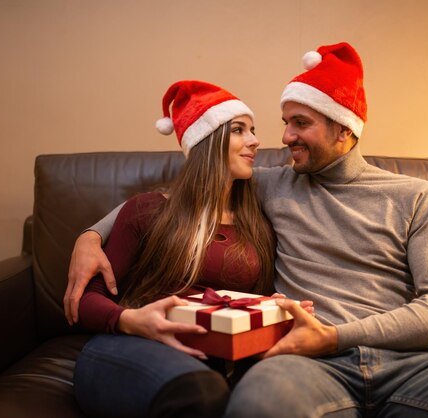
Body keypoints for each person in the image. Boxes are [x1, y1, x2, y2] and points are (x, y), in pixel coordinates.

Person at [68, 44, 428, 417]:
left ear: (344, 130)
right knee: (257, 407)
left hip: (410, 365)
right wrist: (89, 236)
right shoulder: (269, 184)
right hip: (305, 367)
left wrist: (334, 336)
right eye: (283, 123)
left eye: (301, 123)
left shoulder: (417, 197)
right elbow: (180, 199)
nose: (283, 137)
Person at [72, 80, 293, 418]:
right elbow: (84, 302)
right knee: (200, 394)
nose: (255, 140)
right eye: (239, 130)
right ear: (206, 143)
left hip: (216, 359)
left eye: (253, 130)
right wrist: (131, 320)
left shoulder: (257, 222)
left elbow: (251, 306)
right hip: (132, 347)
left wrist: (271, 311)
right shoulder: (149, 210)